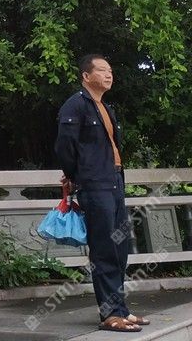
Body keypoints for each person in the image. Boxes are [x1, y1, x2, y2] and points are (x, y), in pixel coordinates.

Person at [54, 54, 149, 333]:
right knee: (105, 248)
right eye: (103, 70)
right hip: (95, 185)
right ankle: (110, 314)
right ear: (86, 76)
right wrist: (75, 176)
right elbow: (64, 146)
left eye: (110, 71)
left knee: (120, 247)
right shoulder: (75, 105)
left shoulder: (106, 107)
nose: (109, 75)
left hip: (115, 181)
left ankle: (121, 309)